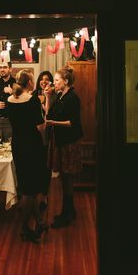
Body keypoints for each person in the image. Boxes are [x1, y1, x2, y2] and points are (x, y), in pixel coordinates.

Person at [7, 69, 49, 242]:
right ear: (29, 83)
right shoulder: (32, 101)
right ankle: (25, 227)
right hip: (32, 145)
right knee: (30, 190)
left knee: (26, 185)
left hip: (17, 144)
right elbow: (41, 127)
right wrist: (45, 117)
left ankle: (38, 222)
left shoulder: (9, 100)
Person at [45, 66, 83, 228]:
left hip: (69, 142)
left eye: (56, 80)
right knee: (63, 178)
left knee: (67, 178)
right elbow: (48, 115)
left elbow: (72, 123)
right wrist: (47, 96)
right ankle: (70, 210)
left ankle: (66, 214)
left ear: (65, 81)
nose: (54, 83)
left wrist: (54, 123)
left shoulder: (72, 98)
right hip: (60, 141)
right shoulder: (59, 96)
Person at [32, 70, 56, 211]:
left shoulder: (53, 95)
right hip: (34, 133)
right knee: (37, 163)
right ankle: (35, 193)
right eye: (42, 79)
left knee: (46, 165)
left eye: (47, 79)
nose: (44, 81)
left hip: (47, 133)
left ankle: (45, 196)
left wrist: (46, 99)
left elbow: (49, 113)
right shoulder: (34, 95)